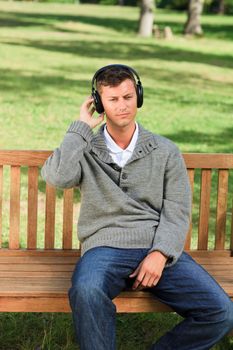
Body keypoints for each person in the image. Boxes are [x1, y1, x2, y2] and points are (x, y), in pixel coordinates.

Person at [41, 64, 233, 350]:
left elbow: (177, 210)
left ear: (138, 97)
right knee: (86, 291)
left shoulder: (165, 150)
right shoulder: (86, 149)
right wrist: (80, 127)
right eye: (113, 99)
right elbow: (56, 177)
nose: (123, 106)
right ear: (99, 103)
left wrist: (160, 253)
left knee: (220, 312)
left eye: (128, 97)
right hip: (104, 246)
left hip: (155, 245)